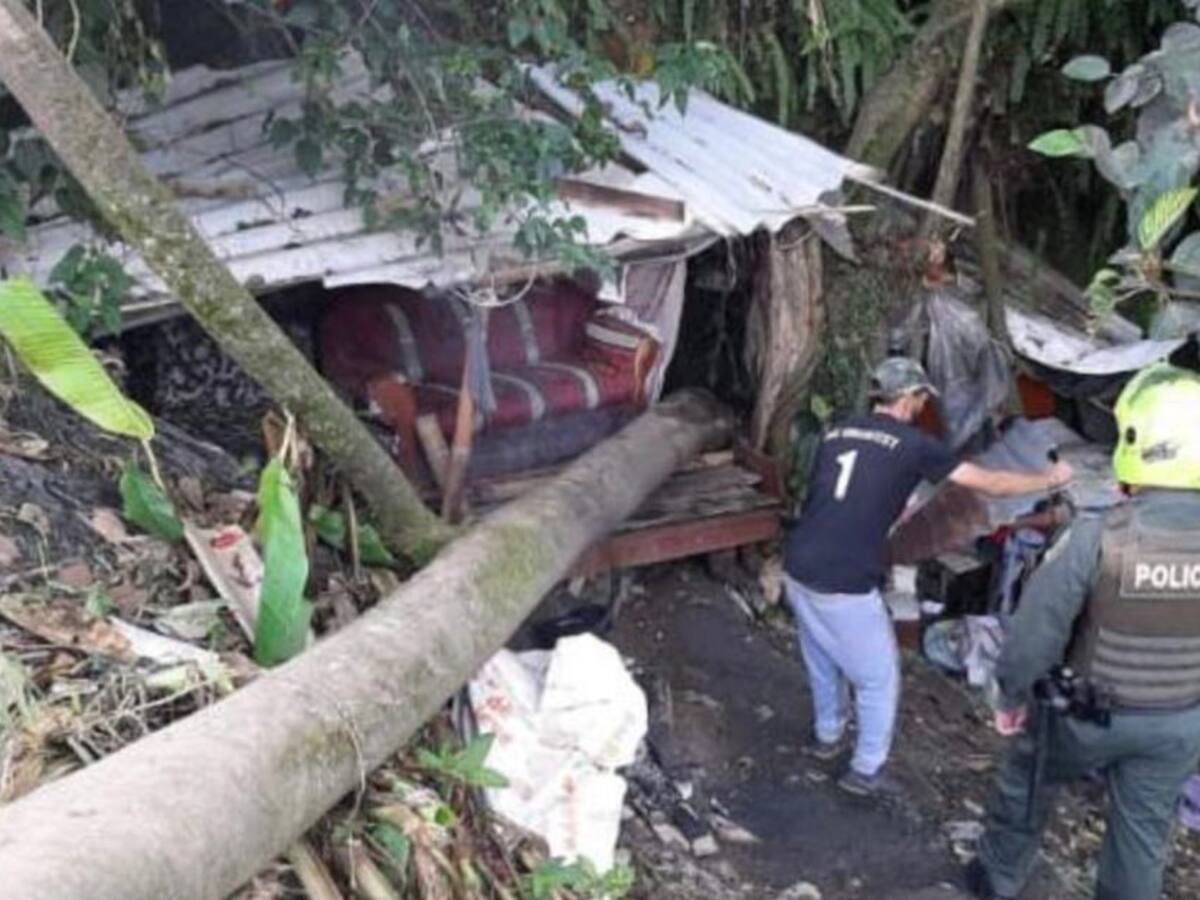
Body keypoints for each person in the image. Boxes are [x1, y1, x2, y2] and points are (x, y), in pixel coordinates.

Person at [784, 356, 1073, 797]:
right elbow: (990, 483)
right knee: (878, 677)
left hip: (799, 564)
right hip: (844, 578)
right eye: (921, 399)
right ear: (909, 398)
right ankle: (865, 770)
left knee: (822, 656)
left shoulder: (836, 431)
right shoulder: (914, 444)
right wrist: (1049, 478)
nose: (922, 407)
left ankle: (826, 738)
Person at [969, 362, 1200, 900]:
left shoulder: (1098, 537)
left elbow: (1034, 634)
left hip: (1086, 712)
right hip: (1178, 722)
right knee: (1142, 834)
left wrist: (1011, 691)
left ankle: (997, 878)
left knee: (1029, 778)